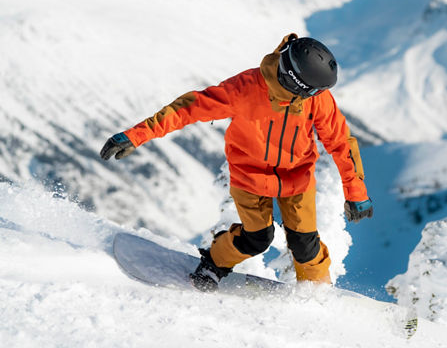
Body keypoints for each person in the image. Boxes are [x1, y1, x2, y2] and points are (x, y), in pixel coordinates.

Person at [100, 33, 373, 291]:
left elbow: (341, 143)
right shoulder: (244, 89)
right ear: (294, 82)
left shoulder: (317, 100)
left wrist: (356, 192)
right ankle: (213, 264)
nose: (318, 96)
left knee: (305, 245)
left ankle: (317, 291)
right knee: (257, 238)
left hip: (297, 176)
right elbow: (188, 108)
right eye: (312, 91)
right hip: (249, 176)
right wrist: (137, 135)